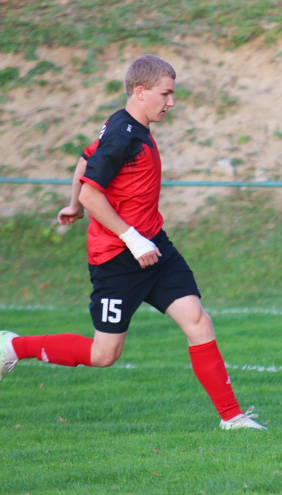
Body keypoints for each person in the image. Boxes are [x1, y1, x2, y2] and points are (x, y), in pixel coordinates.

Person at [0, 55, 265, 431]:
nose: (171, 102)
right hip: (117, 259)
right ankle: (13, 347)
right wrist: (113, 225)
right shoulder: (124, 136)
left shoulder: (123, 125)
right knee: (104, 354)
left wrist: (73, 204)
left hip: (154, 248)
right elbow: (95, 192)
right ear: (140, 92)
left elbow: (84, 159)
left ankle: (232, 418)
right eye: (165, 94)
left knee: (198, 321)